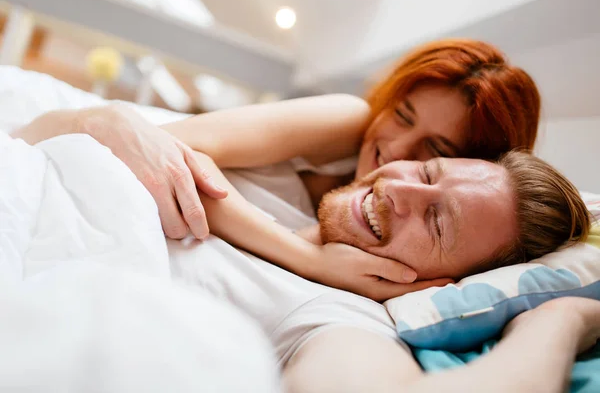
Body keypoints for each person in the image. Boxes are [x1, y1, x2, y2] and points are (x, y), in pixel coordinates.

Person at [12, 112, 595, 393]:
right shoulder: (266, 195)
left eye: (437, 221)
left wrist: (561, 318)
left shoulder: (339, 319)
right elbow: (41, 129)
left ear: (438, 285)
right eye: (426, 170)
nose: (397, 189)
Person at [13, 38, 543, 300]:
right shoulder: (347, 121)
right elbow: (172, 157)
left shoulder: (391, 229)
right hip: (77, 128)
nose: (394, 150)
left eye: (432, 151)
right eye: (400, 116)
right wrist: (306, 259)